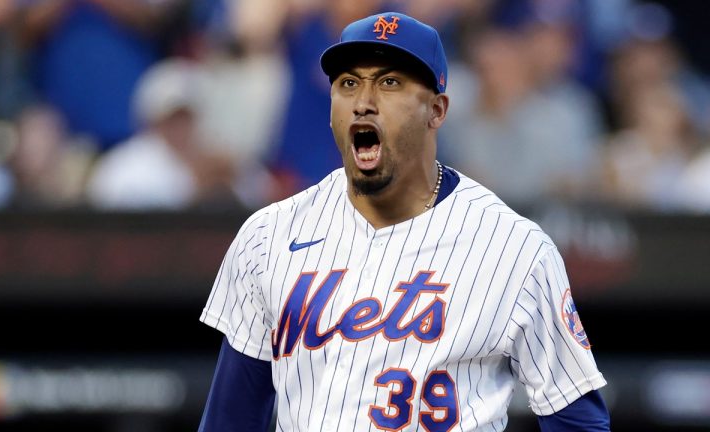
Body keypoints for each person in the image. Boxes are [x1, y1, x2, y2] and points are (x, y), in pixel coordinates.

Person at [198, 11, 610, 432]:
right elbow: (230, 418)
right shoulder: (268, 237)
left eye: (390, 83)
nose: (364, 101)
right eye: (348, 83)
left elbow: (577, 420)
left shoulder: (514, 248)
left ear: (436, 110)